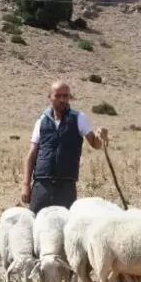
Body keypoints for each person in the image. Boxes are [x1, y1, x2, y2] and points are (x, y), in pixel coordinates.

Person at [20, 80, 109, 214]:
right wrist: (26, 185)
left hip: (66, 186)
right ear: (50, 96)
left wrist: (103, 137)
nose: (62, 99)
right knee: (36, 224)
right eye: (58, 95)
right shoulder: (41, 121)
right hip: (41, 184)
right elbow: (32, 154)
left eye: (65, 96)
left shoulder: (79, 118)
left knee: (64, 228)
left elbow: (96, 144)